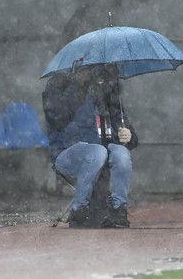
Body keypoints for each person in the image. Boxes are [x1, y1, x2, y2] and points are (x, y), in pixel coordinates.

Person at [43, 64, 138, 228]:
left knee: (121, 153)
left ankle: (118, 210)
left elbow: (123, 127)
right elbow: (56, 120)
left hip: (100, 152)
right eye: (87, 70)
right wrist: (78, 89)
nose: (91, 75)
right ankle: (79, 209)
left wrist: (127, 136)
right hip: (66, 154)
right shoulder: (59, 86)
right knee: (97, 151)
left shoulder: (105, 91)